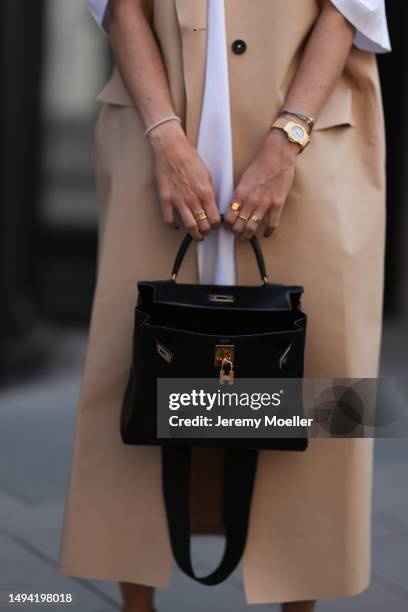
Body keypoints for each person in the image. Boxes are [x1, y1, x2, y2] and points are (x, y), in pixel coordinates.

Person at [59, 1, 391, 611]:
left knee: (321, 377)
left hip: (311, 138)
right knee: (132, 364)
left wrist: (286, 142)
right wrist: (165, 139)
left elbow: (348, 8)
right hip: (155, 130)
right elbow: (121, 7)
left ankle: (302, 598)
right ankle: (135, 601)